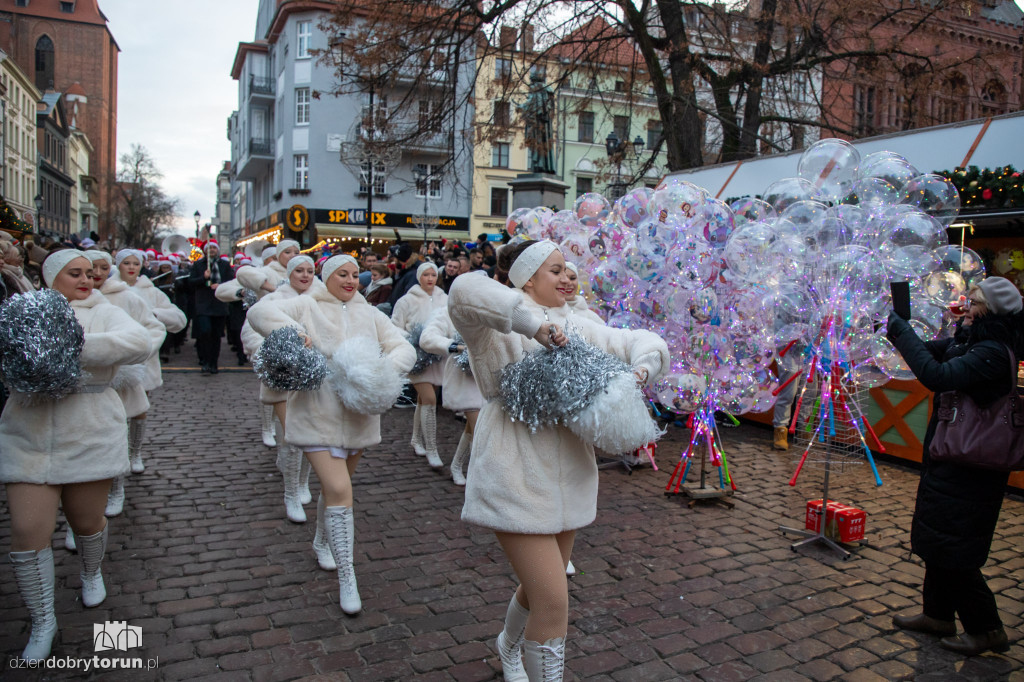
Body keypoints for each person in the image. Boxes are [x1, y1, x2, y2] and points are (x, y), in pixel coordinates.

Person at [448, 240, 668, 680]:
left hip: (569, 475)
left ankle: (508, 646)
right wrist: (535, 326)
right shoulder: (498, 324)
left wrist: (643, 368)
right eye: (555, 270)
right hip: (515, 471)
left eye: (569, 270)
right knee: (553, 600)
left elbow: (637, 340)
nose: (568, 277)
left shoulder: (582, 323)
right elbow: (464, 291)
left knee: (539, 589)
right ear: (527, 278)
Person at [1, 249, 150, 662]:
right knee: (29, 529)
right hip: (27, 432)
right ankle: (43, 620)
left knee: (86, 522)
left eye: (90, 273)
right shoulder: (23, 310)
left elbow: (139, 342)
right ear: (52, 277)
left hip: (88, 430)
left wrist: (66, 346)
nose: (86, 280)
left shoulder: (105, 311)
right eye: (74, 273)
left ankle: (90, 571)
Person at [247, 255, 415, 615]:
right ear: (328, 277)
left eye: (356, 274)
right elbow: (259, 315)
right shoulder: (308, 303)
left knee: (334, 489)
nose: (352, 280)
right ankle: (347, 576)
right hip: (315, 412)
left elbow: (404, 347)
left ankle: (324, 540)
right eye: (343, 274)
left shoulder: (369, 313)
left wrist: (380, 370)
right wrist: (296, 335)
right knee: (340, 489)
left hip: (357, 417)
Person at [886, 277, 1024, 656]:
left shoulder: (993, 351)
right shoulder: (971, 341)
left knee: (956, 551)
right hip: (950, 457)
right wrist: (898, 327)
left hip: (975, 468)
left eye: (973, 301)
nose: (964, 305)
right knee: (937, 540)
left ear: (989, 312)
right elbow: (927, 354)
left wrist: (902, 330)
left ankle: (988, 629)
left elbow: (936, 376)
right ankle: (937, 615)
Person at [235, 255, 324, 522]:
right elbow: (251, 330)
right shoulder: (273, 299)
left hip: (313, 379)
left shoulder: (322, 297)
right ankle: (291, 494)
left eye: (310, 270)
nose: (305, 275)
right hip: (282, 378)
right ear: (289, 272)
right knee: (291, 435)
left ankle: (303, 481)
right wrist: (270, 355)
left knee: (310, 436)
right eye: (299, 270)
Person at [84, 250, 165, 517]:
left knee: (124, 421)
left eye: (102, 267)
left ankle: (121, 478)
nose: (96, 274)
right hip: (81, 382)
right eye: (91, 268)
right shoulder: (71, 298)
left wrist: (135, 355)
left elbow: (152, 329)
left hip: (121, 375)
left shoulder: (127, 297)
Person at [111, 249, 187, 473]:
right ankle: (117, 453)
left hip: (144, 358)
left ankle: (135, 452)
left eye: (136, 263)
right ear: (119, 265)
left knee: (139, 409)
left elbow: (178, 319)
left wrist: (154, 314)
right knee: (115, 410)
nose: (132, 267)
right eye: (126, 263)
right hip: (116, 358)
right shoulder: (107, 290)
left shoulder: (150, 291)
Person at [419, 285, 484, 485]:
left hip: (483, 378)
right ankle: (482, 481)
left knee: (472, 428)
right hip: (464, 379)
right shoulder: (446, 314)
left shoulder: (484, 314)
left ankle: (457, 465)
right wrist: (455, 346)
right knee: (479, 429)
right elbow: (427, 338)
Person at [391, 262, 449, 469]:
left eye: (433, 274)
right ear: (419, 277)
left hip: (437, 355)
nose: (430, 278)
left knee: (425, 400)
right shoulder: (406, 300)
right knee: (429, 399)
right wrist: (411, 340)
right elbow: (395, 326)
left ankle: (416, 439)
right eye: (426, 274)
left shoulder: (445, 299)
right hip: (417, 357)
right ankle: (432, 449)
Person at [188, 241, 234, 374]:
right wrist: (203, 278)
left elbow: (231, 281)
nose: (212, 250)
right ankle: (205, 361)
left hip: (219, 304)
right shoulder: (198, 265)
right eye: (209, 248)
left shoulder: (224, 265)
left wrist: (221, 286)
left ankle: (214, 363)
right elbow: (191, 282)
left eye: (214, 248)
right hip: (203, 304)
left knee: (216, 336)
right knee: (205, 332)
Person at [386, 242, 422, 309]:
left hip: (400, 309)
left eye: (396, 260)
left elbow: (408, 295)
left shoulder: (412, 273)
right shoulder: (407, 271)